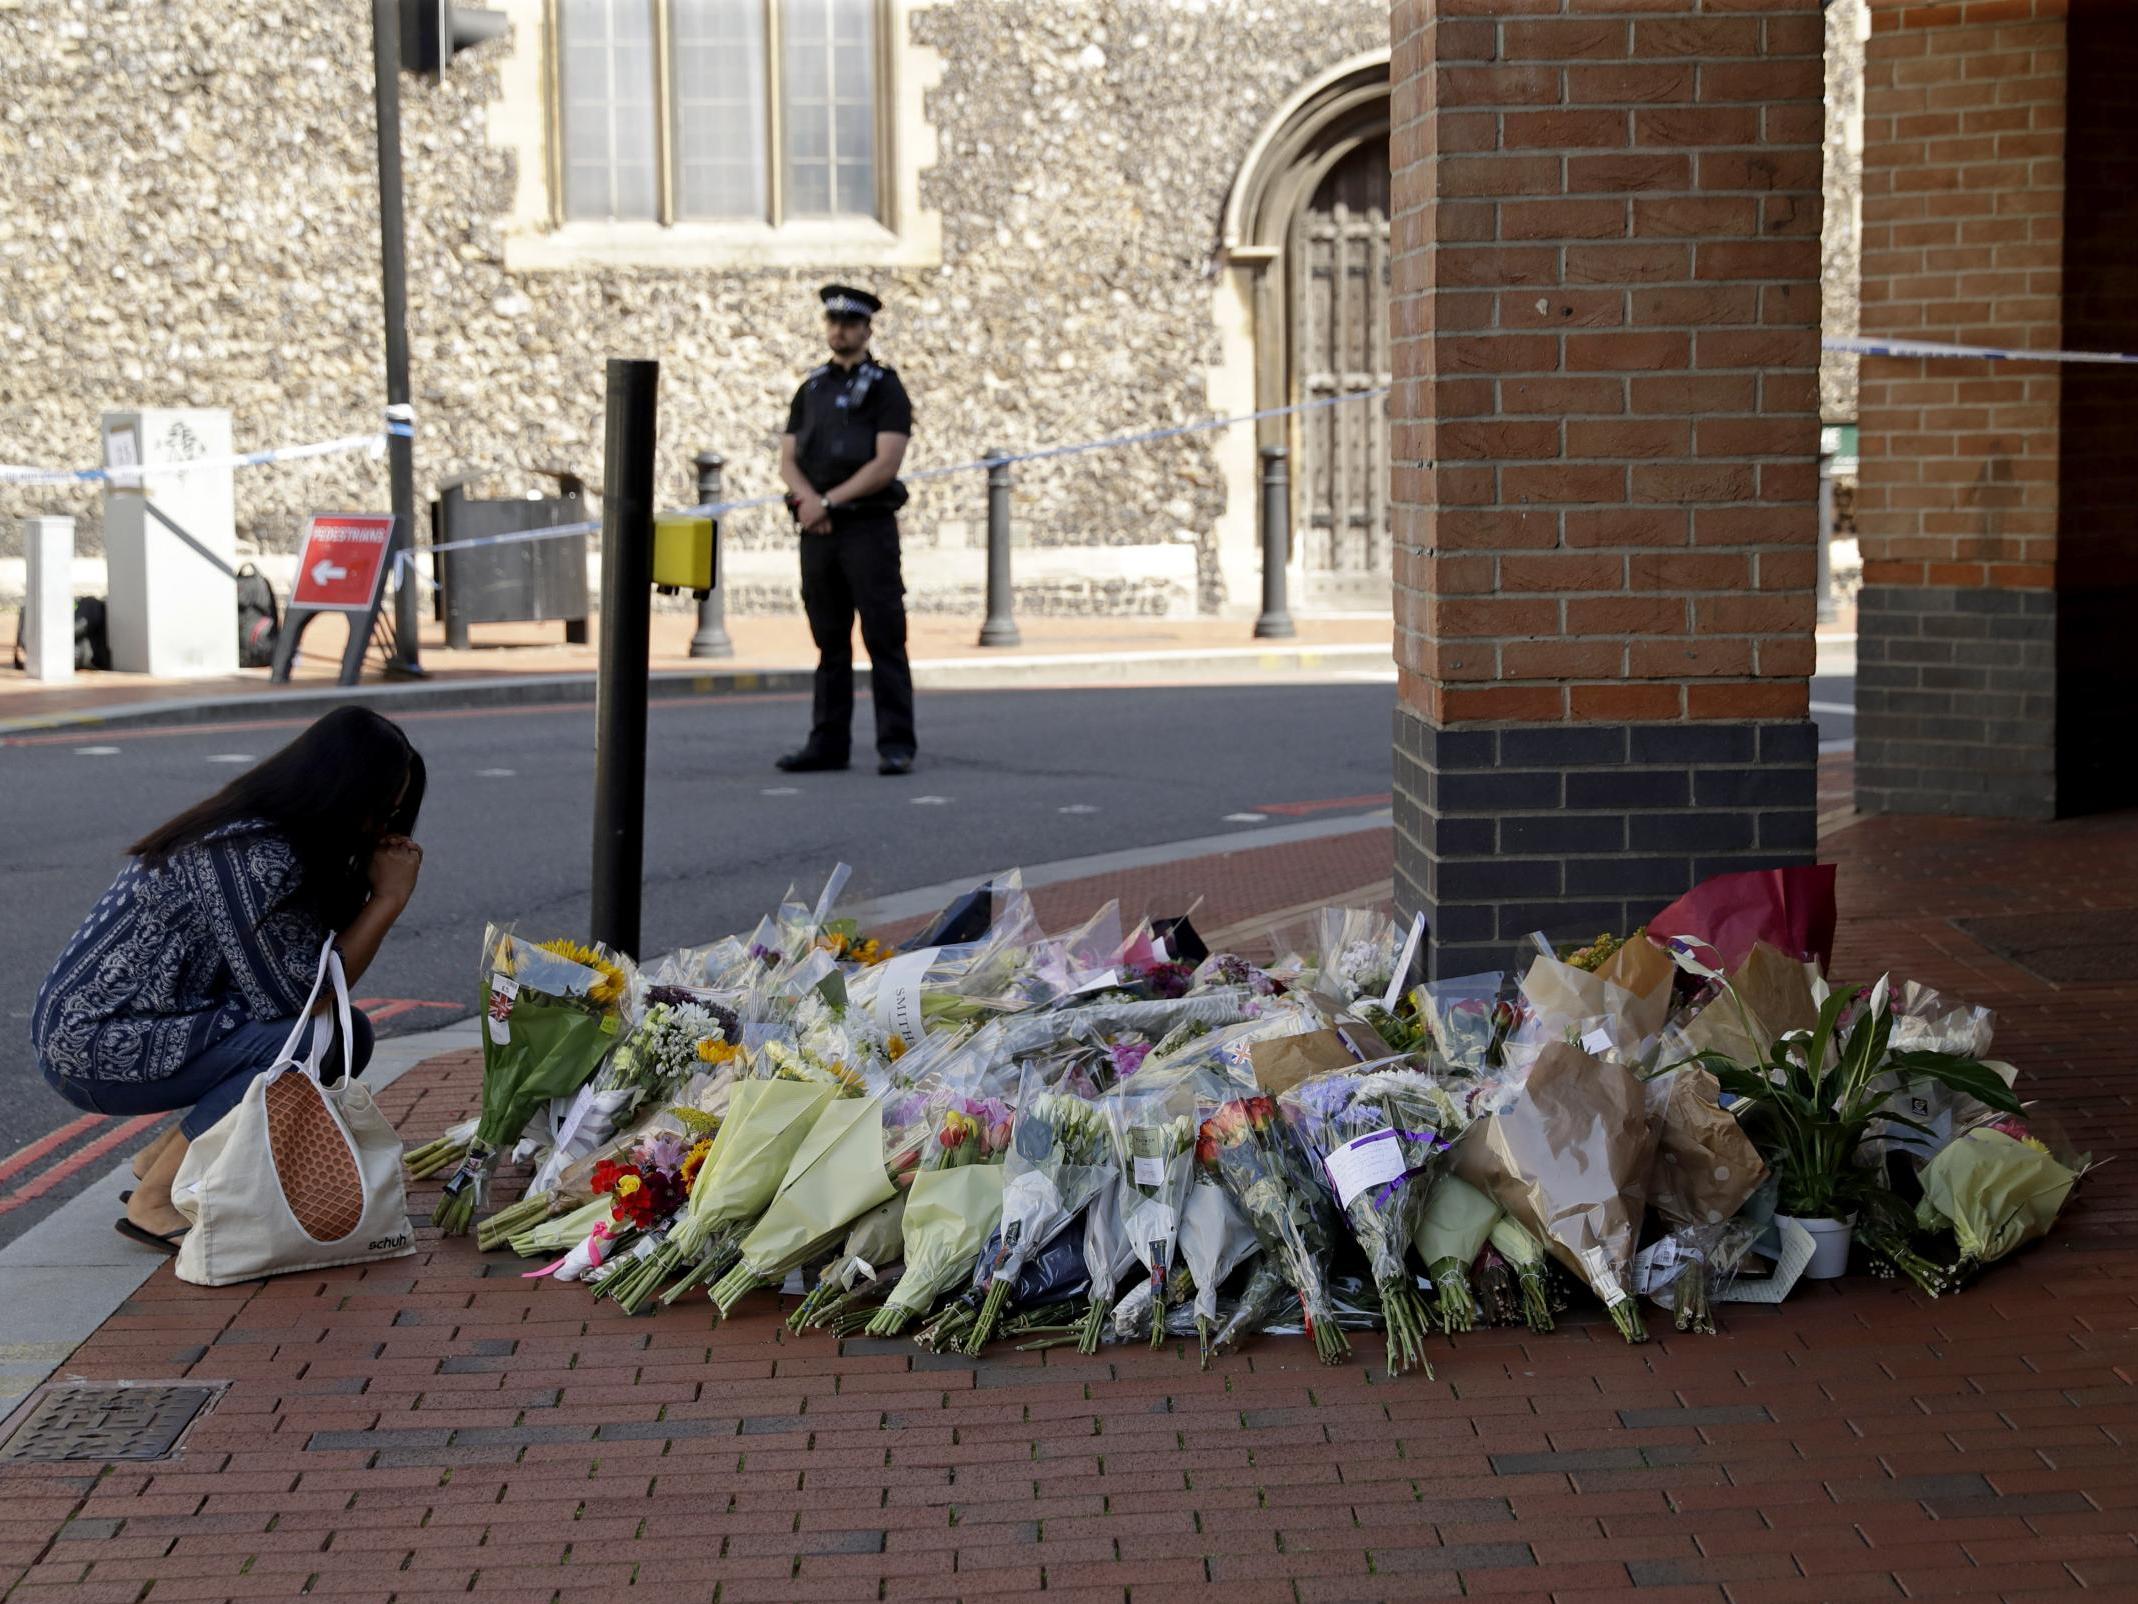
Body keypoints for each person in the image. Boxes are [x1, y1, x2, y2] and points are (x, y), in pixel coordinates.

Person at [31, 708, 426, 1253]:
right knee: (322, 1039)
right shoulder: (253, 855)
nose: (381, 826)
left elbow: (307, 984)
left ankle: (160, 1163)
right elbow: (305, 999)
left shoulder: (256, 830)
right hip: (97, 1047)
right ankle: (156, 1201)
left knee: (342, 1033)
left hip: (112, 1030)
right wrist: (388, 899)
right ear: (340, 792)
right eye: (380, 808)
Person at [776, 283, 918, 777]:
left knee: (884, 638)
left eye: (850, 324)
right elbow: (788, 458)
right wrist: (810, 503)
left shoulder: (885, 387)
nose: (840, 331)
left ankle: (895, 743)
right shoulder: (812, 387)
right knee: (829, 641)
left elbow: (886, 462)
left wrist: (831, 500)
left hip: (866, 528)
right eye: (833, 323)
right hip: (818, 530)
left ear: (867, 330)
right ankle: (828, 743)